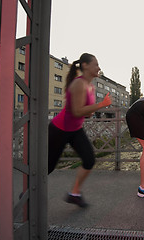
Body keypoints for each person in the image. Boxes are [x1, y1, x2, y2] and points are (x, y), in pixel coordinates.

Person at [48, 53, 112, 208]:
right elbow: (77, 111)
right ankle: (28, 191)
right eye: (95, 64)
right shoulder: (78, 84)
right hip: (59, 129)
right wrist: (101, 105)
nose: (98, 68)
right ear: (85, 66)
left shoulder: (90, 86)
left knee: (89, 159)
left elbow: (86, 112)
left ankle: (74, 194)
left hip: (75, 129)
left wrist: (93, 108)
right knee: (47, 167)